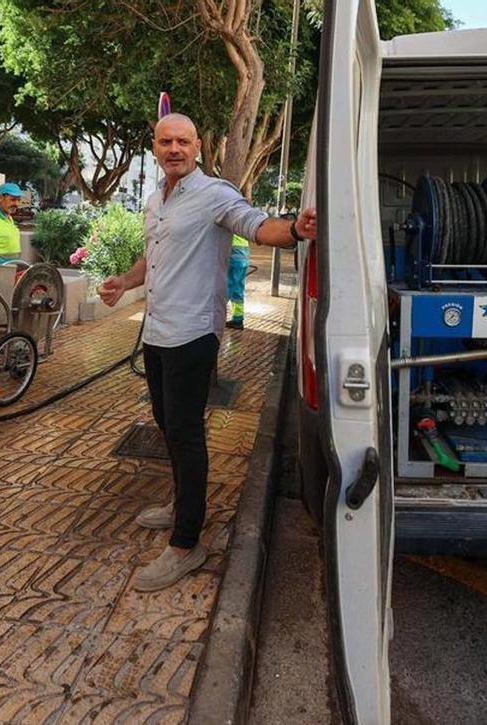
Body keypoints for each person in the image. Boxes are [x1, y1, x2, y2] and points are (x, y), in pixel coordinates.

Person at [97, 113, 317, 592]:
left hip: (193, 335)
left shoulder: (215, 193)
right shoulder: (156, 200)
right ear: (154, 146)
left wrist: (296, 230)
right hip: (156, 333)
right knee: (167, 426)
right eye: (165, 141)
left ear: (198, 146)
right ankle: (181, 504)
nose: (174, 148)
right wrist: (125, 283)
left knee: (186, 432)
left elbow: (257, 226)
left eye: (183, 141)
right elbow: (152, 257)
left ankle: (186, 543)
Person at [226, 234, 250, 329]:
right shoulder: (240, 228)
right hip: (243, 260)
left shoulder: (229, 224)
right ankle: (238, 319)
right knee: (238, 291)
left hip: (233, 260)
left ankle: (215, 318)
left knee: (226, 289)